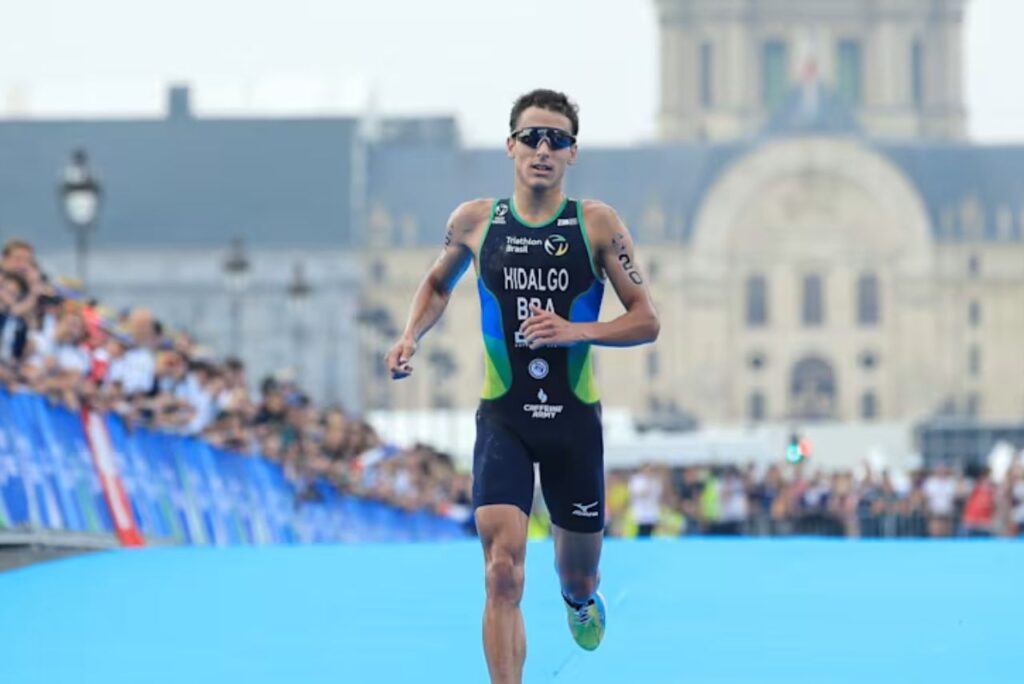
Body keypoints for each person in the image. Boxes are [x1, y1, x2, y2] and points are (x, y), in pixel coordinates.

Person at [384, 88, 659, 683]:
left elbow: (645, 319)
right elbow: (437, 284)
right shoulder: (476, 221)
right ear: (510, 146)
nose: (542, 149)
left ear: (572, 154)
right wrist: (412, 336)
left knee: (576, 574)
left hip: (572, 421)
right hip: (504, 417)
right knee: (501, 570)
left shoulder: (597, 224)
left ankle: (581, 602)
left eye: (556, 140)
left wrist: (573, 329)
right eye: (531, 137)